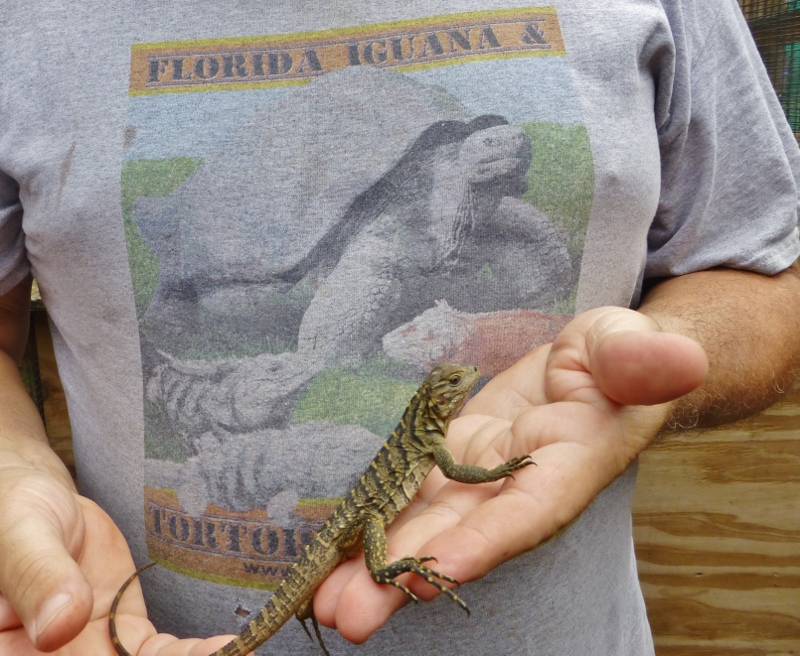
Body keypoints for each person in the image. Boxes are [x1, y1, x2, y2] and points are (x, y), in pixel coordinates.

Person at [1, 0, 799, 655]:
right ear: (446, 163)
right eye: (483, 147)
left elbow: (764, 268)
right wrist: (13, 474)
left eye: (507, 145)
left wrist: (652, 369)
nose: (506, 150)